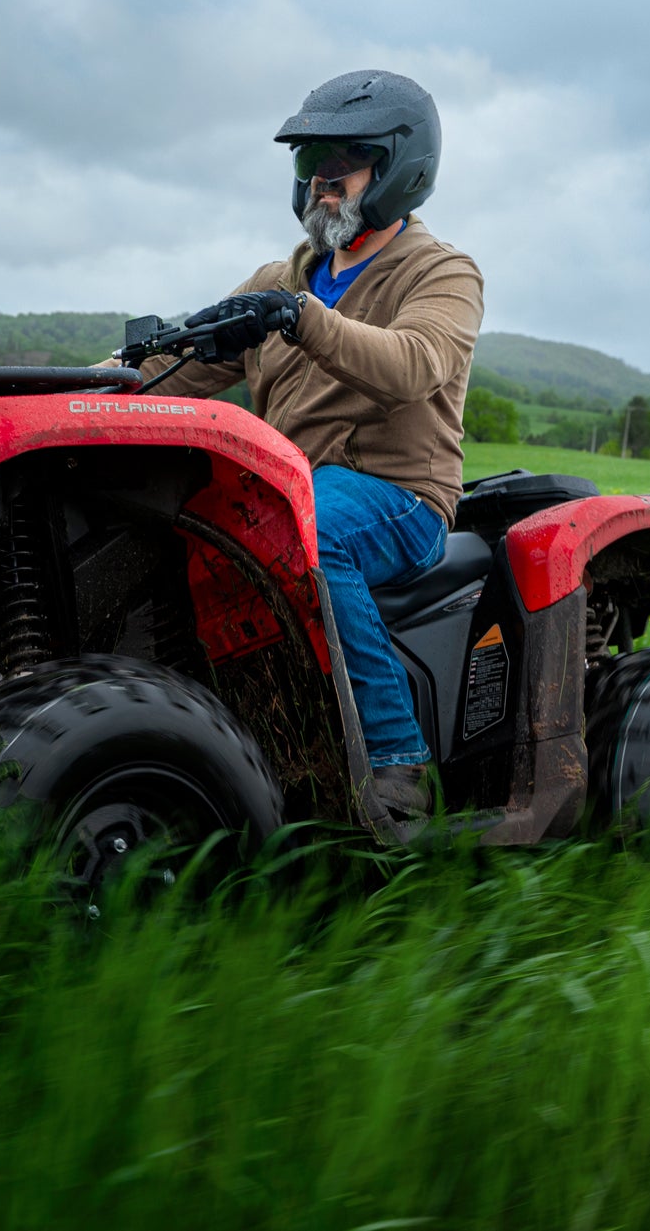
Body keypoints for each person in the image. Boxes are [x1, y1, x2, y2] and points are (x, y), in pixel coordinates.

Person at [140, 70, 484, 829]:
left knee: (311, 532)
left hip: (396, 497)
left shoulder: (442, 273)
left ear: (398, 169)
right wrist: (78, 387)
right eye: (310, 168)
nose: (322, 185)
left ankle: (397, 767)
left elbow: (413, 365)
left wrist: (301, 320)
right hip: (289, 487)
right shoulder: (280, 277)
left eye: (342, 167)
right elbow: (178, 366)